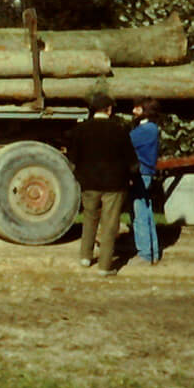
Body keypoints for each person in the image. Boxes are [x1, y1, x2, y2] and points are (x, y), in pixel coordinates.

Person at [63, 86, 136, 275]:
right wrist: (131, 177)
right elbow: (131, 160)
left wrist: (79, 176)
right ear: (109, 109)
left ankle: (85, 257)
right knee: (110, 224)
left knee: (89, 219)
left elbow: (73, 159)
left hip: (89, 183)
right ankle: (104, 266)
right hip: (114, 184)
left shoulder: (80, 130)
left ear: (93, 109)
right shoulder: (120, 130)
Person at [129, 99, 163, 265]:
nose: (134, 111)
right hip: (146, 173)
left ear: (145, 110)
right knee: (147, 212)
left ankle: (144, 254)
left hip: (141, 174)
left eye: (137, 108)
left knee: (139, 214)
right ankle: (153, 252)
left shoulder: (145, 130)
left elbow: (126, 141)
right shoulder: (152, 128)